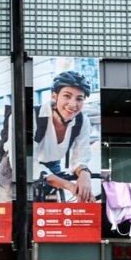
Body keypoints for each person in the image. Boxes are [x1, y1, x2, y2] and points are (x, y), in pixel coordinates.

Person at [34, 70, 97, 203]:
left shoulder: (82, 121)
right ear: (54, 96)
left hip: (52, 164)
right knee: (15, 211)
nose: (73, 104)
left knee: (51, 211)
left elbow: (81, 156)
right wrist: (69, 185)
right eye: (67, 96)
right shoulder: (32, 117)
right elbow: (29, 163)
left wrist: (84, 174)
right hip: (18, 167)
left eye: (79, 99)